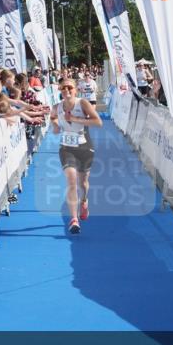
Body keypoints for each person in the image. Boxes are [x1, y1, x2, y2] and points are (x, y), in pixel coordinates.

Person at [51, 78, 102, 235]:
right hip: (67, 148)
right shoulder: (57, 107)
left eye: (69, 87)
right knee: (71, 180)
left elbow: (98, 122)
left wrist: (74, 119)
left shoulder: (83, 104)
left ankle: (84, 200)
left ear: (75, 90)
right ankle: (74, 219)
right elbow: (53, 117)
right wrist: (56, 125)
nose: (66, 90)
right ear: (59, 90)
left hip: (85, 147)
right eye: (63, 88)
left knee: (83, 182)